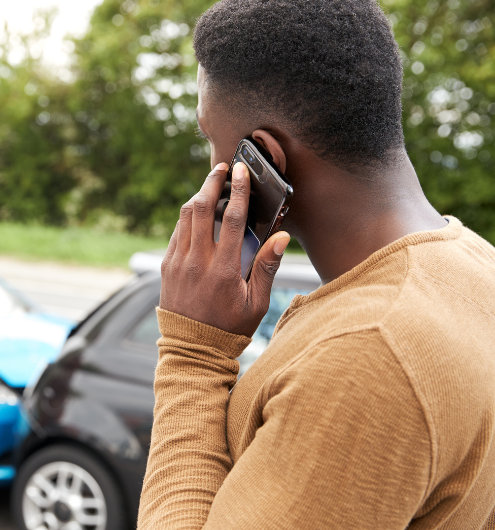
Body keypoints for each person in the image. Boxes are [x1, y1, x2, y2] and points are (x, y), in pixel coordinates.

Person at [137, 1, 495, 529]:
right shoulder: (476, 265)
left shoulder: (368, 351)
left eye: (209, 137)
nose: (209, 161)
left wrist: (193, 354)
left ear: (262, 159)